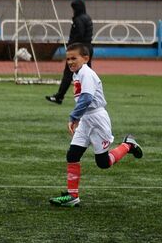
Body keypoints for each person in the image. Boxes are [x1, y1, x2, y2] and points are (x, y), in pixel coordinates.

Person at [49, 43, 142, 207]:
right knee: (72, 155)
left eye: (74, 58)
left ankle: (128, 145)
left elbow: (86, 98)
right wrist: (79, 117)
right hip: (86, 119)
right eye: (68, 59)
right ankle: (73, 196)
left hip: (97, 120)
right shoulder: (76, 74)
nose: (70, 62)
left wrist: (73, 117)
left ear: (86, 58)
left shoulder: (86, 73)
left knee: (103, 163)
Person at [47, 0, 93, 104]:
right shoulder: (87, 18)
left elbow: (79, 35)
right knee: (87, 73)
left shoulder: (79, 20)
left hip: (79, 49)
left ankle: (60, 96)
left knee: (68, 73)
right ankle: (91, 94)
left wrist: (71, 46)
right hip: (87, 48)